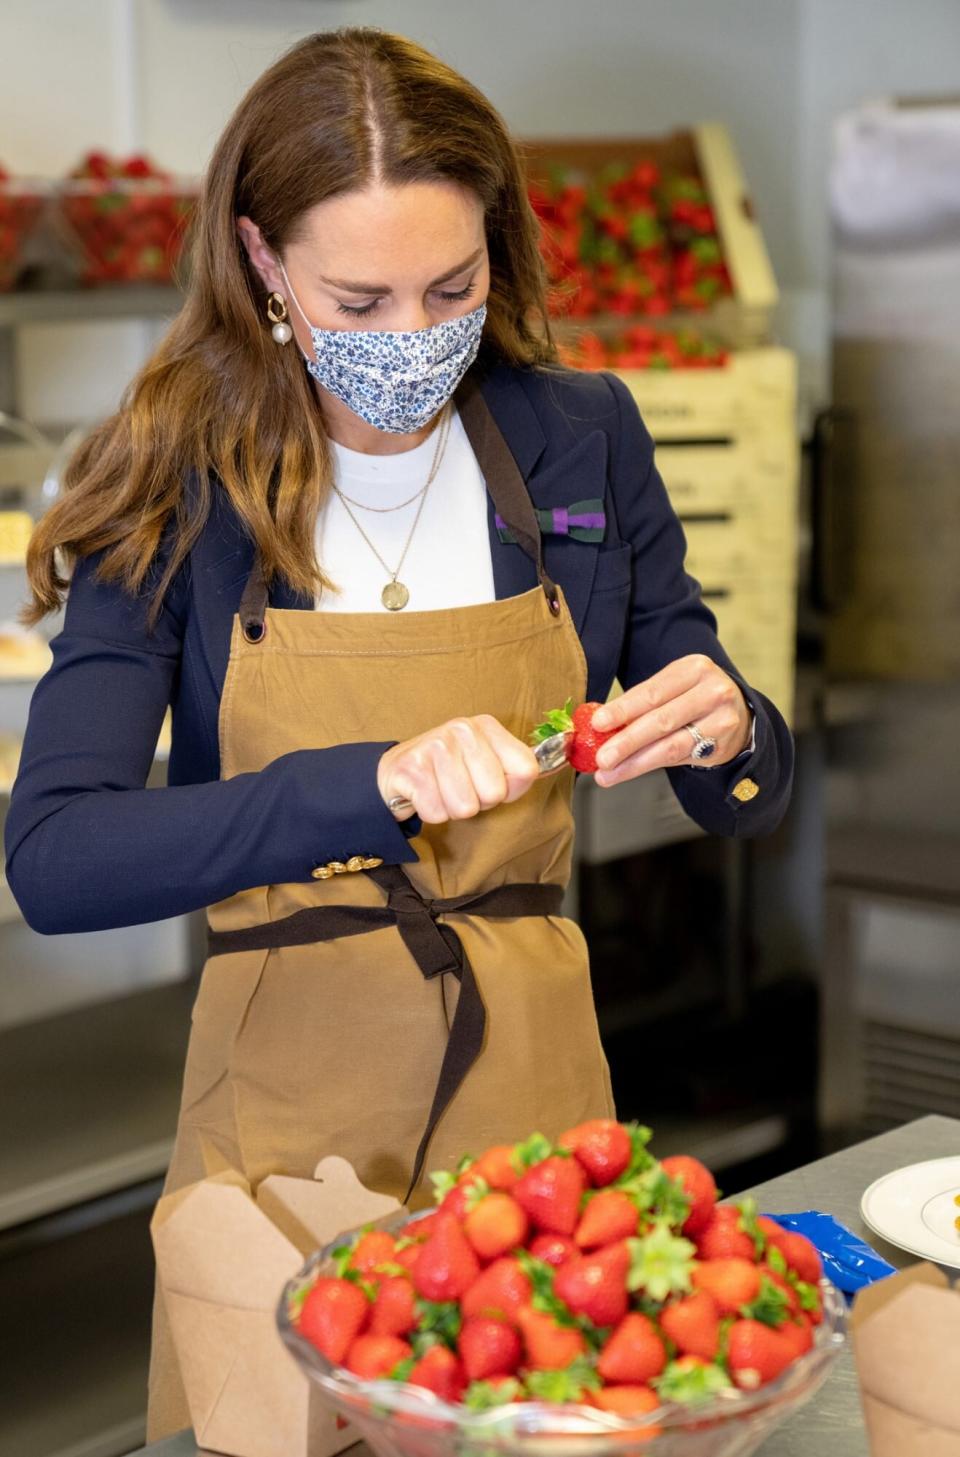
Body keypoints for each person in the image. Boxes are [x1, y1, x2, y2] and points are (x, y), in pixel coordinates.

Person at [4, 27, 793, 1440]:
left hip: (539, 1102)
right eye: (356, 298)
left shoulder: (579, 435)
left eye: (453, 287)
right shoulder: (178, 468)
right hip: (278, 1133)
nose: (409, 340)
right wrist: (364, 783)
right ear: (263, 263)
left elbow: (728, 751)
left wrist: (729, 723)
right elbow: (58, 856)